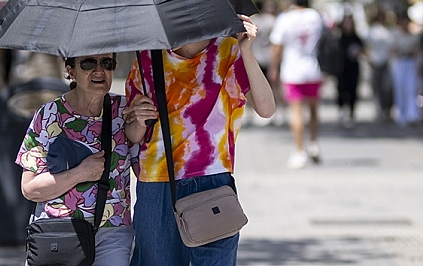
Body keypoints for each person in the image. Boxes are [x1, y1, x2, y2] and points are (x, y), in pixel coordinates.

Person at [124, 15, 276, 266]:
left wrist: (247, 50)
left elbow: (267, 108)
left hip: (213, 179)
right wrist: (138, 120)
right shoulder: (148, 57)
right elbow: (133, 135)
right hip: (157, 182)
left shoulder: (229, 51)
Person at [15, 53, 137, 266]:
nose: (99, 70)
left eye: (107, 63)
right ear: (70, 71)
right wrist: (80, 173)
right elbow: (29, 188)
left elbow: (142, 160)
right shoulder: (49, 115)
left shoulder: (125, 111)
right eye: (89, 63)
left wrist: (143, 119)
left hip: (113, 232)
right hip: (60, 233)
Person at [269, 0, 324, 169]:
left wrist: (273, 68)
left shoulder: (285, 19)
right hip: (313, 68)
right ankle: (314, 144)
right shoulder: (316, 17)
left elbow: (277, 46)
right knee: (314, 110)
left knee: (297, 112)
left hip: (293, 71)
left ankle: (300, 152)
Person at [250, 0, 286, 126]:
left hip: (256, 58)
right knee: (274, 86)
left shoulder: (252, 22)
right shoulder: (272, 21)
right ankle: (279, 112)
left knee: (255, 87)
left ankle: (258, 113)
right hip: (270, 57)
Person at [390, 14, 422, 127]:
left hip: (410, 63)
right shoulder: (395, 36)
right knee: (400, 89)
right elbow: (393, 50)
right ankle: (401, 115)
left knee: (411, 88)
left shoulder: (414, 37)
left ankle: (412, 115)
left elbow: (417, 51)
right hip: (400, 63)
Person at [335, 13, 365, 128]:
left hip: (353, 68)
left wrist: (359, 52)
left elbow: (363, 50)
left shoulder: (356, 37)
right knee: (341, 90)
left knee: (353, 90)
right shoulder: (338, 37)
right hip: (341, 69)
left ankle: (351, 114)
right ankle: (342, 111)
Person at [365, 8, 393, 123]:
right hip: (375, 63)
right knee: (376, 88)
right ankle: (379, 111)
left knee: (387, 88)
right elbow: (367, 47)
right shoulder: (372, 31)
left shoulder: (388, 31)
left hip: (387, 63)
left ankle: (387, 110)